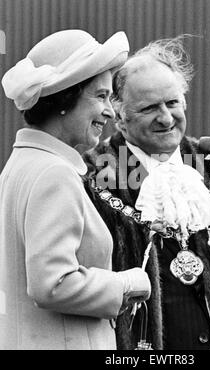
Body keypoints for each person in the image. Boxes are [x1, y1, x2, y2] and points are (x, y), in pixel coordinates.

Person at [0, 29, 151, 350]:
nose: (111, 111)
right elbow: (52, 284)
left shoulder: (23, 165)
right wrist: (125, 283)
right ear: (65, 99)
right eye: (100, 96)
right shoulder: (54, 173)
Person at [83, 36, 210, 350]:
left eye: (172, 103)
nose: (166, 118)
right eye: (149, 108)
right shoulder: (96, 172)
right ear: (119, 115)